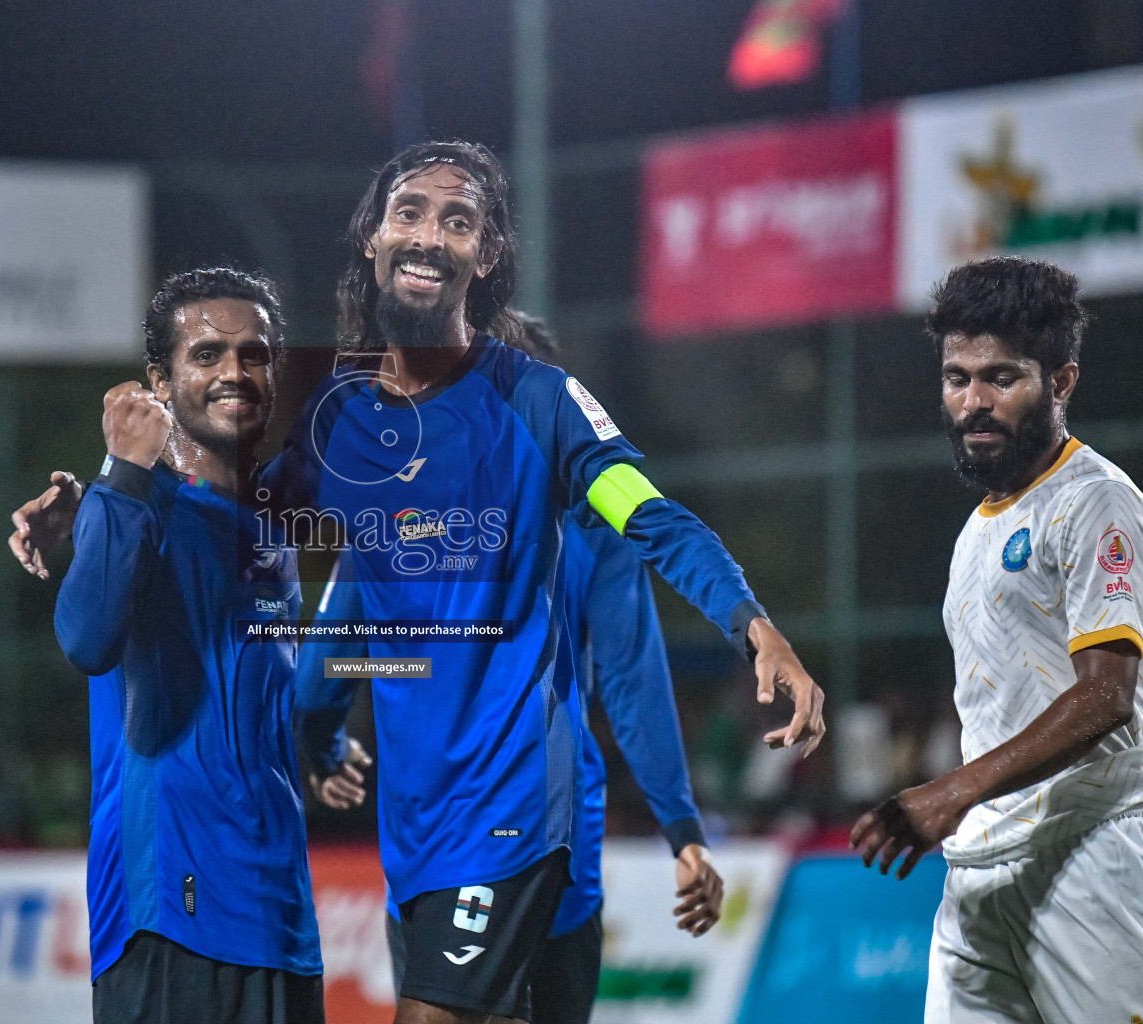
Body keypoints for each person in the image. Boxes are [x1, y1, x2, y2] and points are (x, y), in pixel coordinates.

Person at [254, 140, 822, 1024]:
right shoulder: (347, 429)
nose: (429, 235)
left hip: (515, 804)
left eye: (458, 220)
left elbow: (653, 524)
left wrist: (755, 628)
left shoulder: (544, 404)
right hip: (413, 831)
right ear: (372, 237)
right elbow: (326, 624)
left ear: (484, 257)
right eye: (409, 211)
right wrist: (115, 506)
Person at [300, 315, 722, 1024]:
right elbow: (629, 680)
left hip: (426, 845)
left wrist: (323, 740)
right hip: (548, 847)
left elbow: (322, 666)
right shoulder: (593, 513)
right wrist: (682, 830)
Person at [850, 257, 1143, 1023]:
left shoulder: (1096, 502)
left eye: (1001, 378)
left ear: (1063, 380)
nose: (973, 402)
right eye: (957, 378)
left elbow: (1107, 697)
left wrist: (950, 790)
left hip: (1089, 858)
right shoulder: (980, 528)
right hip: (977, 871)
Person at [49, 267, 324, 1024]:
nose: (234, 371)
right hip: (172, 907)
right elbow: (84, 639)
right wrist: (118, 476)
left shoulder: (275, 530)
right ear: (159, 384)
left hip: (281, 916)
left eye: (254, 354)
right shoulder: (139, 502)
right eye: (206, 355)